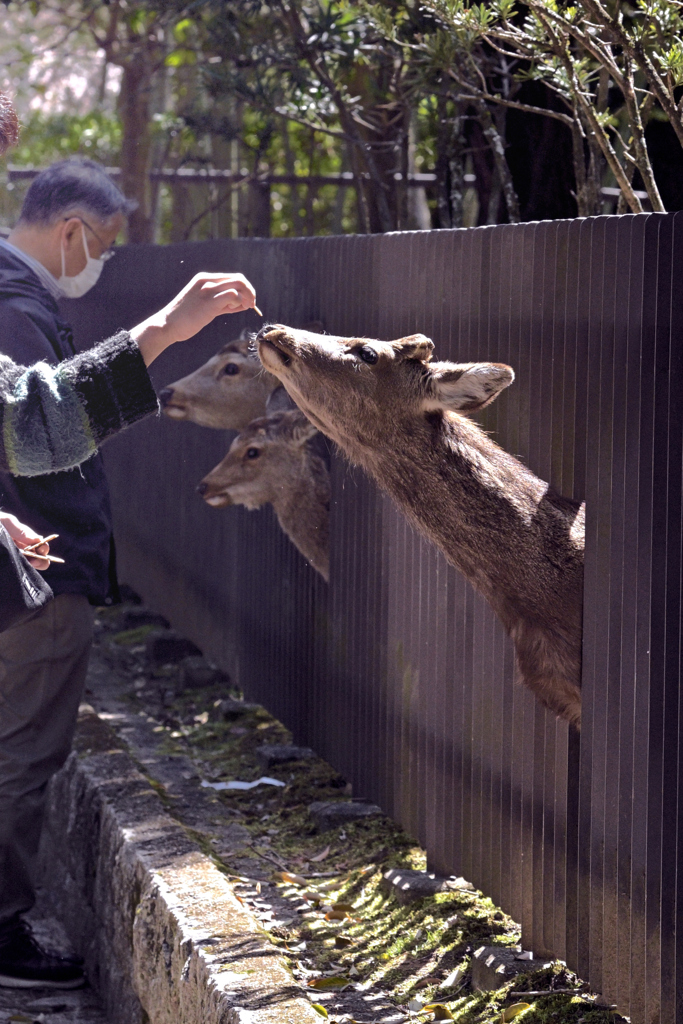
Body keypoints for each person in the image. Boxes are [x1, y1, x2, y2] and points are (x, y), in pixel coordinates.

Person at [0, 155, 258, 991]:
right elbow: (35, 427)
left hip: (21, 553)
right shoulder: (11, 302)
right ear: (73, 231)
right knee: (19, 753)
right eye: (104, 246)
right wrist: (165, 330)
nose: (102, 261)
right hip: (26, 584)